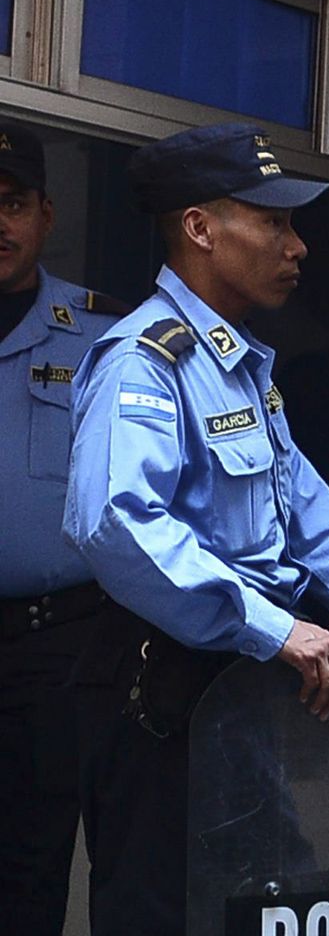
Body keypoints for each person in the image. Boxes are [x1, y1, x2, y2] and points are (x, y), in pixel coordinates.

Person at [63, 122, 329, 933]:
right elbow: (116, 521)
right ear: (201, 229)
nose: (297, 245)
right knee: (165, 912)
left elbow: (305, 513)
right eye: (272, 222)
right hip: (164, 694)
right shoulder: (146, 359)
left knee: (263, 901)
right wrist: (273, 627)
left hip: (240, 688)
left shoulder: (237, 366)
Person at [0, 121, 126, 936]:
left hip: (55, 656)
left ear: (46, 214)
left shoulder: (101, 334)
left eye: (11, 203)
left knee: (29, 873)